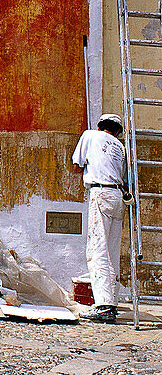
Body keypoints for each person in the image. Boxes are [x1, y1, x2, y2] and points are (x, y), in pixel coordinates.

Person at [72, 112, 131, 323]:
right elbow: (125, 180)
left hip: (101, 193)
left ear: (100, 126)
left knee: (97, 250)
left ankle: (104, 306)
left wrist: (90, 166)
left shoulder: (90, 135)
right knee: (112, 251)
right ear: (117, 131)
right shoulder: (120, 147)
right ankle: (112, 302)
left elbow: (77, 165)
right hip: (118, 197)